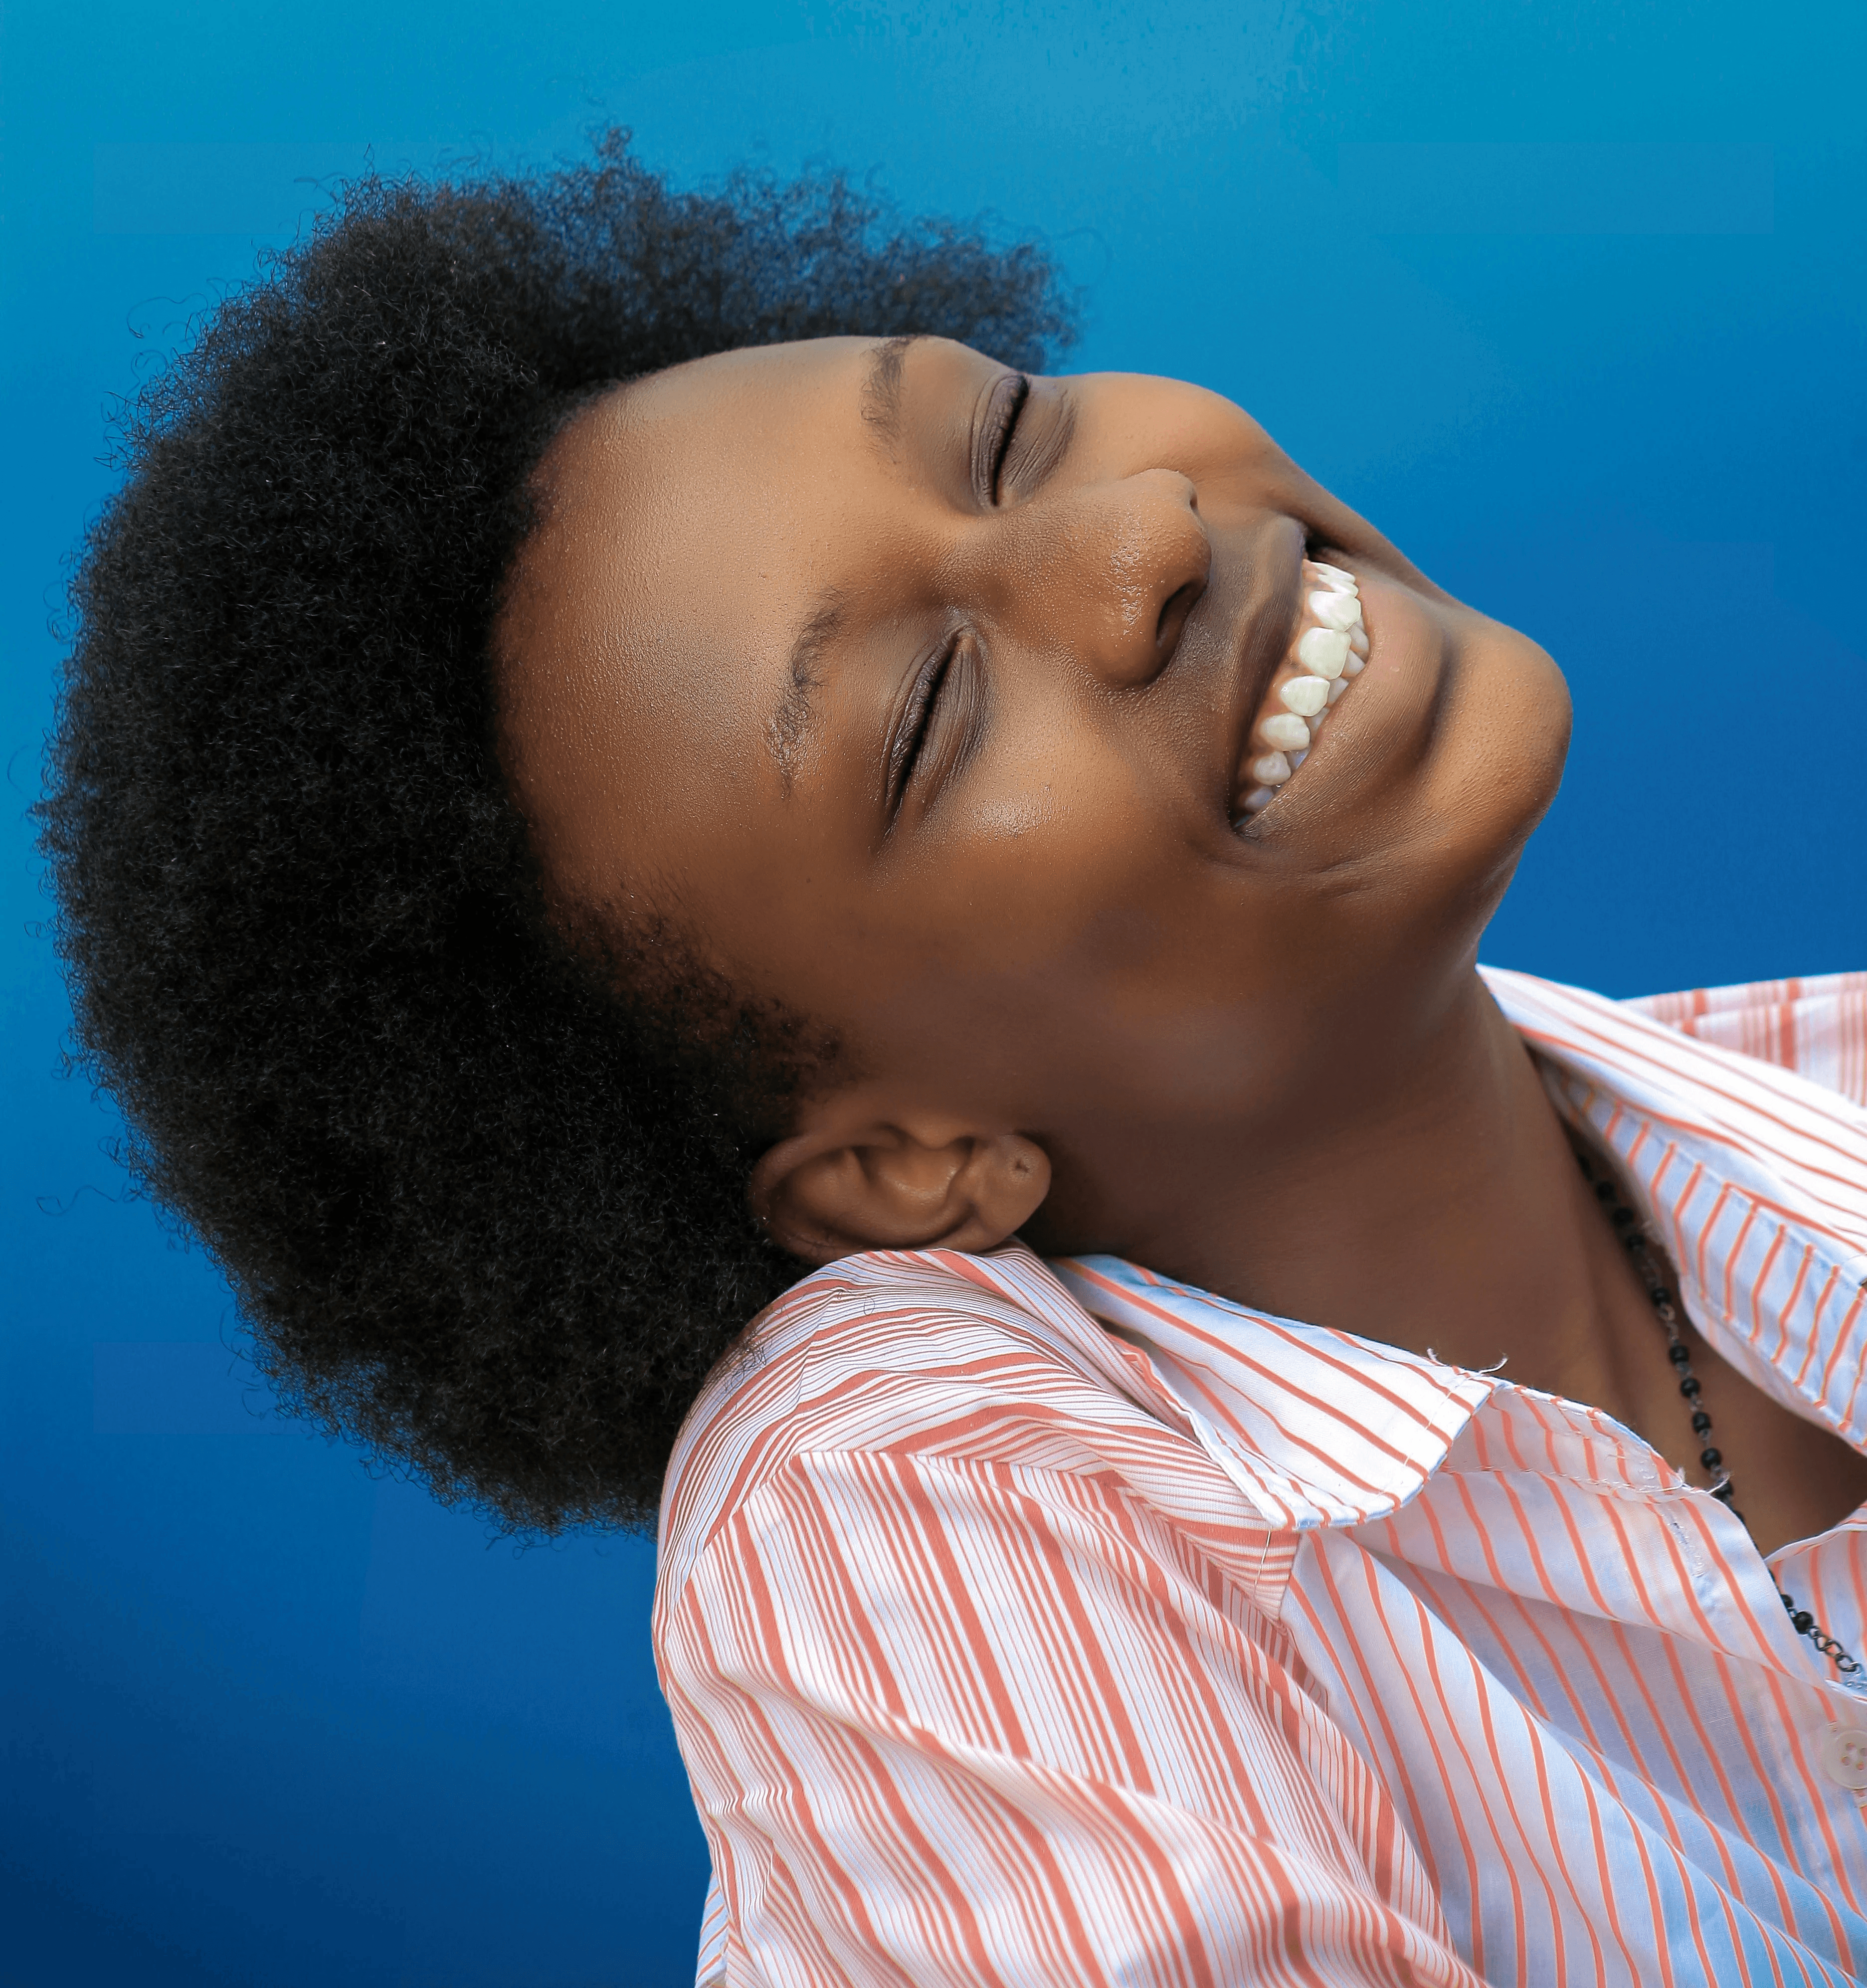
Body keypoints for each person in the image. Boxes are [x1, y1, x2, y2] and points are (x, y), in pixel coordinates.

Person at [40, 136, 1867, 1987]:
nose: (1142, 533)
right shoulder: (892, 1484)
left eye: (1005, 434)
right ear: (902, 1163)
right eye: (931, 714)